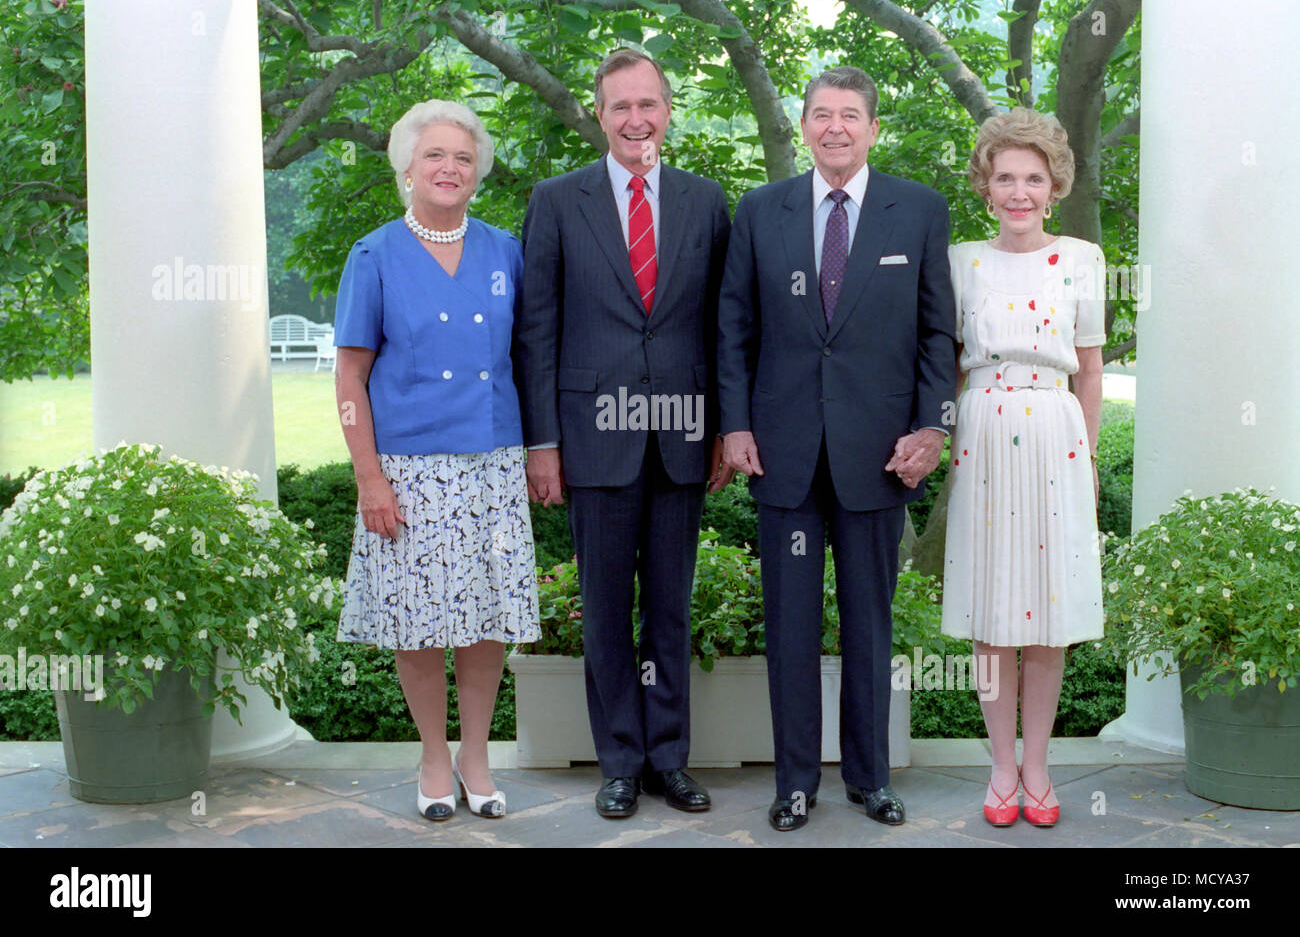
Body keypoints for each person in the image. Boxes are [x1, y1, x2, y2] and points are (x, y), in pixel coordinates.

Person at [718, 66, 956, 832]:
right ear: (804, 127)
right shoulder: (760, 211)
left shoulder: (918, 211)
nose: (835, 128)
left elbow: (937, 333)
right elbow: (733, 330)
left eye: (850, 115)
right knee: (789, 626)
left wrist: (934, 425)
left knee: (869, 623)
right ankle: (793, 784)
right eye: (821, 115)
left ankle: (869, 777)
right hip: (782, 453)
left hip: (879, 456)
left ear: (873, 128)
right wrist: (734, 425)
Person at [514, 49, 733, 819]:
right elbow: (536, 331)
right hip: (591, 438)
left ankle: (668, 759)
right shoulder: (555, 200)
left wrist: (723, 430)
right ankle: (619, 759)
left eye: (648, 104)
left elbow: (722, 327)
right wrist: (542, 443)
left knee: (671, 605)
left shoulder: (707, 202)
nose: (635, 119)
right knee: (605, 609)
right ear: (597, 114)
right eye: (619, 107)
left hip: (680, 437)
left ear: (667, 109)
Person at [333, 100, 539, 822]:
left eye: (462, 156)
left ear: (477, 169)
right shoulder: (374, 255)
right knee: (417, 625)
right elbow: (350, 378)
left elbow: (529, 359)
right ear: (407, 169)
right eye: (434, 156)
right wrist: (369, 478)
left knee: (484, 622)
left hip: (491, 465)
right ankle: (431, 754)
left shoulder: (506, 251)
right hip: (409, 472)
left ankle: (476, 756)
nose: (449, 168)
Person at [942, 107, 1105, 828]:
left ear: (1054, 185)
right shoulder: (958, 260)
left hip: (1055, 433)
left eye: (1032, 178)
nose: (1018, 191)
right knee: (991, 609)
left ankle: (1038, 767)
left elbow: (1092, 369)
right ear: (986, 184)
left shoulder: (1082, 259)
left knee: (1046, 612)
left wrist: (1091, 458)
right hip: (983, 430)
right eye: (1005, 176)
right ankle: (1000, 770)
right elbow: (945, 367)